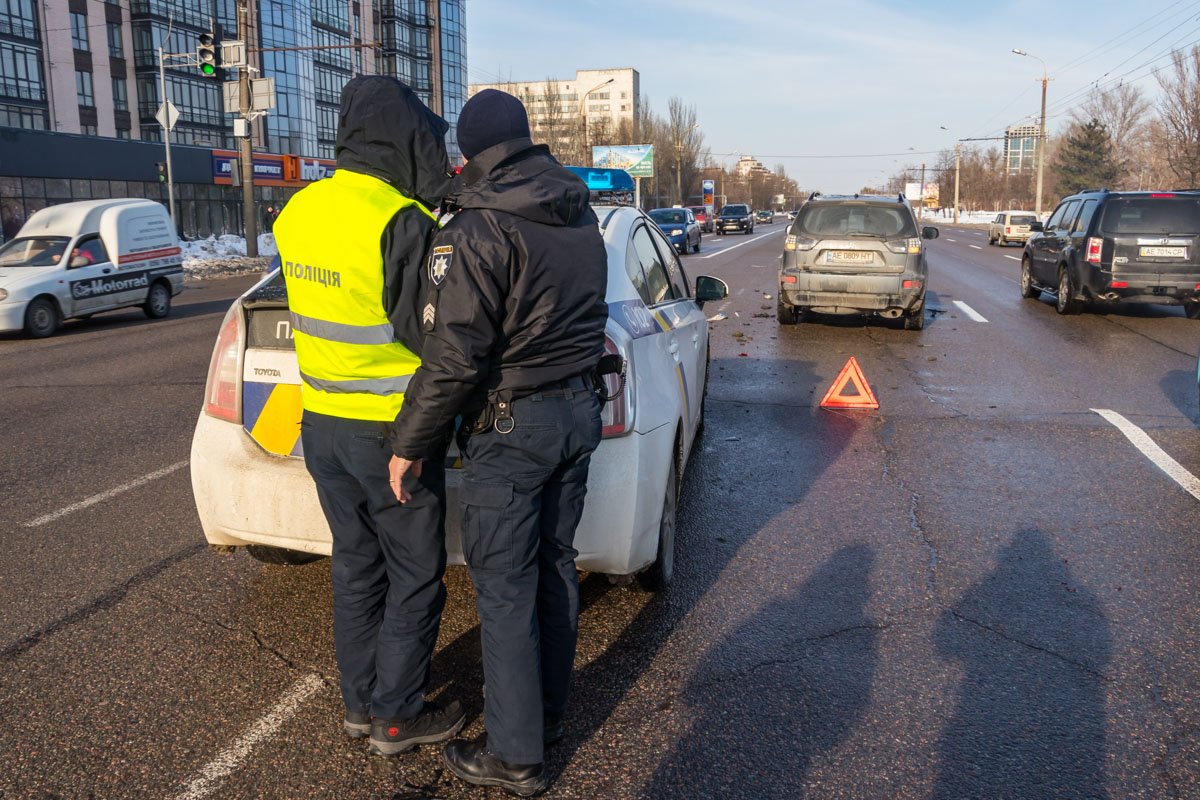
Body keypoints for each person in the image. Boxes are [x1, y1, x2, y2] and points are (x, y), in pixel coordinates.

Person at [387, 88, 609, 796]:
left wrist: (409, 441)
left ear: (471, 151)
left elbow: (453, 356)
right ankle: (543, 720)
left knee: (506, 589)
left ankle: (515, 756)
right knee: (552, 566)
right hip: (578, 412)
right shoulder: (578, 211)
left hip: (512, 427)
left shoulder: (482, 226)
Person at [272, 75, 465, 757]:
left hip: (319, 421)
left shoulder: (298, 211)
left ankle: (360, 705)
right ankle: (396, 716)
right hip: (391, 432)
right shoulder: (400, 220)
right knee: (413, 572)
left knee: (355, 568)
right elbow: (431, 335)